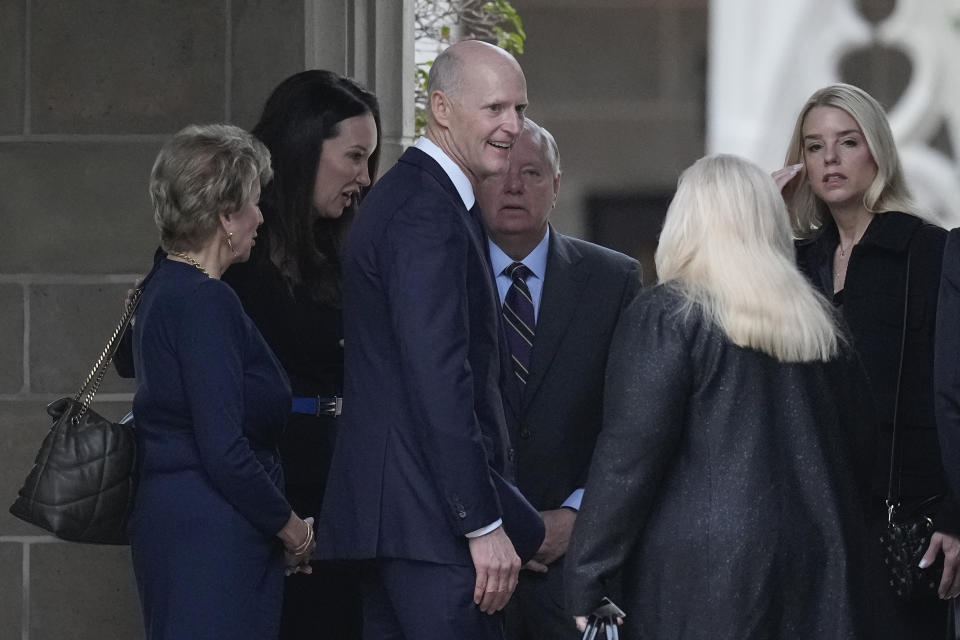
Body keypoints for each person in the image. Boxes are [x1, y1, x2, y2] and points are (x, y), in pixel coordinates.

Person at [565, 154, 877, 639]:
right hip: (816, 558)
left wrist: (587, 575)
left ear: (686, 219)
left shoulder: (670, 312)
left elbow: (629, 458)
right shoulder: (811, 320)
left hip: (706, 573)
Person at [316, 40, 544, 640]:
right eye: (495, 108)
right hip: (432, 527)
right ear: (441, 108)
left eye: (519, 110)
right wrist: (481, 523)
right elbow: (438, 377)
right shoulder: (425, 210)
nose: (512, 126)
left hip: (408, 523)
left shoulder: (422, 198)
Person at [777, 83, 960, 638]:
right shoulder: (790, 262)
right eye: (813, 147)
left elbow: (953, 395)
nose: (829, 158)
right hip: (808, 523)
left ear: (877, 151)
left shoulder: (932, 251)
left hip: (908, 524)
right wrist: (762, 212)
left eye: (847, 141)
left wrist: (955, 516)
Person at [128, 124, 315, 639]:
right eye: (254, 203)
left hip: (186, 528)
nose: (261, 216)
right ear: (224, 217)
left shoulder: (164, 286)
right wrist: (294, 531)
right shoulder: (205, 302)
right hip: (212, 536)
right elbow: (225, 450)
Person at [221, 69, 380, 640]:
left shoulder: (347, 242)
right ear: (304, 147)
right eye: (355, 157)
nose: (364, 177)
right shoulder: (235, 240)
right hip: (264, 491)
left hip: (342, 488)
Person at [476, 119, 641, 640]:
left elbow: (633, 419)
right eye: (499, 172)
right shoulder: (444, 275)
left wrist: (579, 514)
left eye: (531, 172)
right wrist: (487, 521)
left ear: (557, 185)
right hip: (471, 559)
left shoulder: (613, 279)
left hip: (578, 566)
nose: (514, 186)